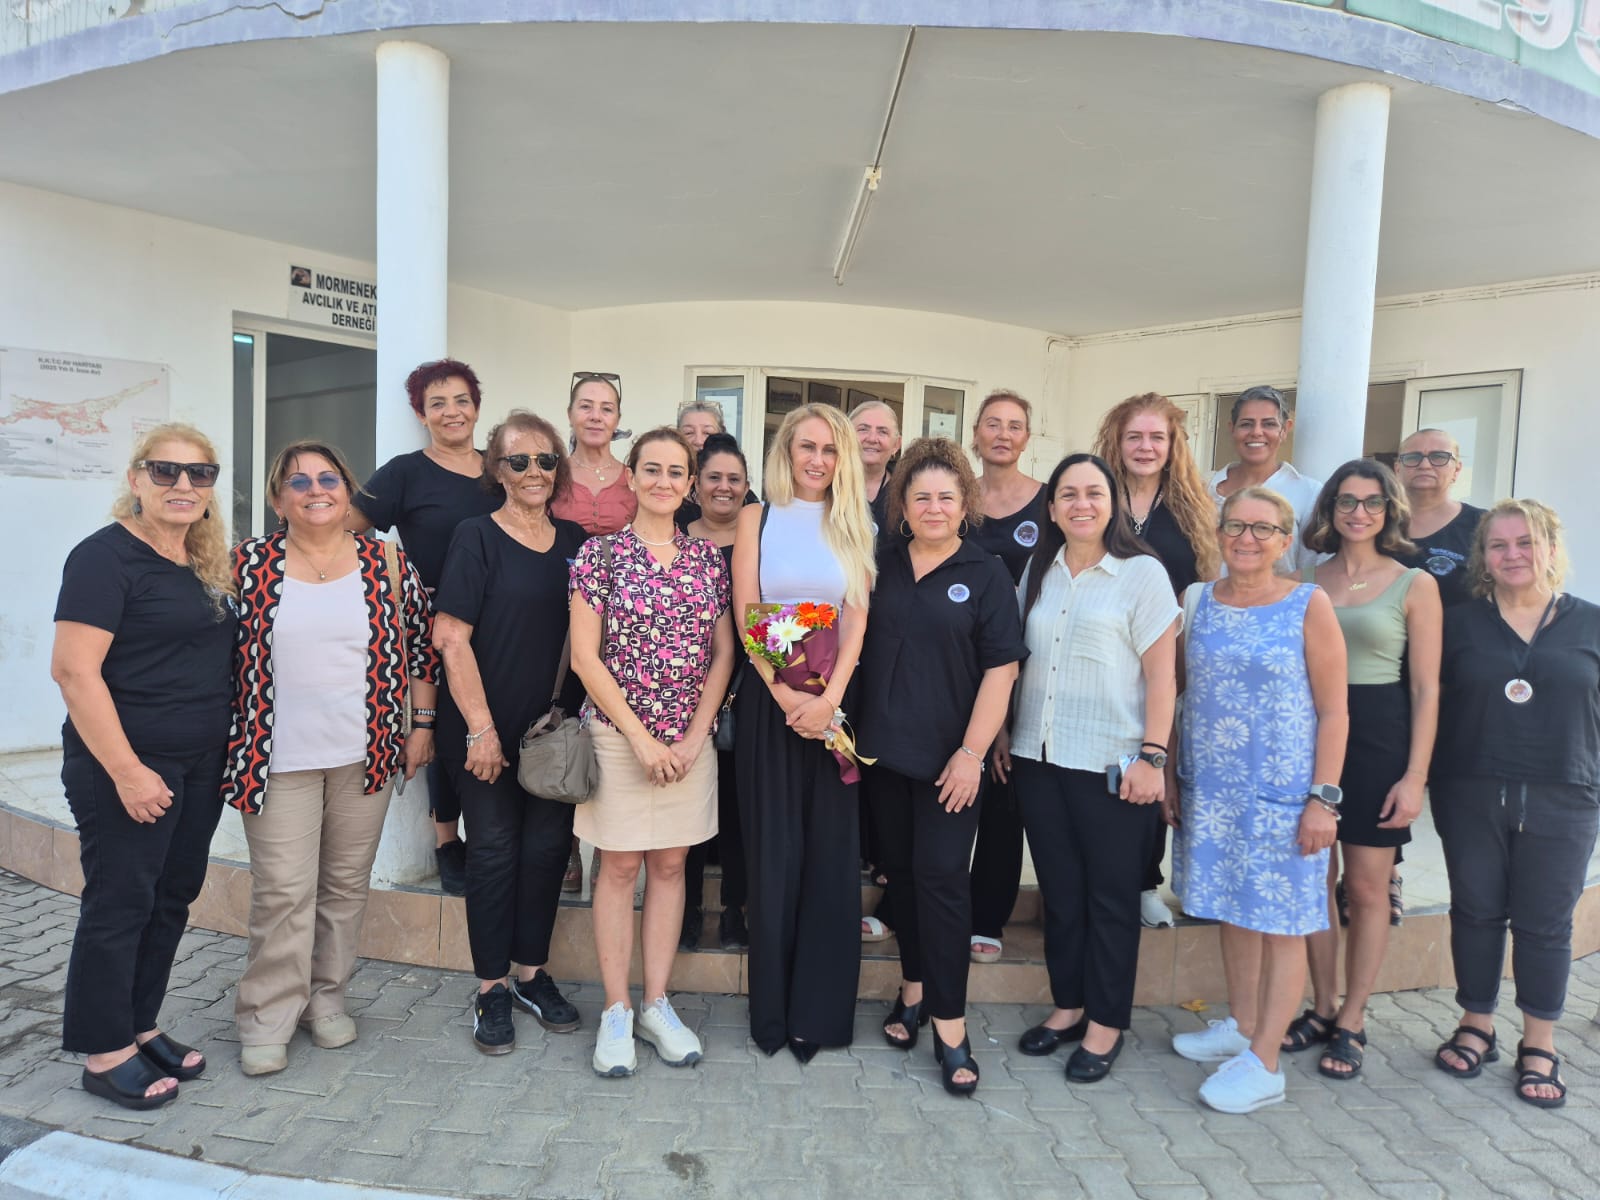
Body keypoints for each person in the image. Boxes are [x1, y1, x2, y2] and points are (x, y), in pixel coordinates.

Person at [225, 441, 439, 1077]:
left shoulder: (385, 561)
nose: (315, 490)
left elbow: (421, 647)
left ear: (348, 492)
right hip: (275, 757)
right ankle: (267, 1016)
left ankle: (327, 999)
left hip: (366, 754)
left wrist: (420, 727)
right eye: (298, 482)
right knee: (284, 892)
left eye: (328, 479)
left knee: (345, 887)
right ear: (277, 499)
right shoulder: (248, 565)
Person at [52, 426, 238, 1109]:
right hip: (126, 764)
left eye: (200, 473)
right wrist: (127, 770)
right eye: (166, 471)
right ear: (136, 480)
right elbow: (74, 672)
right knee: (121, 900)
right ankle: (104, 1054)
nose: (183, 485)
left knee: (171, 895)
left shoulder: (201, 558)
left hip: (197, 763)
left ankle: (139, 1024)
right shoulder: (104, 558)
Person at [1170, 487, 1347, 1113]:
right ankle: (1242, 1026)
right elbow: (1179, 692)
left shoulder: (1307, 603)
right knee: (1232, 909)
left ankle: (1265, 1061)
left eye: (1263, 529)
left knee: (1281, 923)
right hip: (1214, 789)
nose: (1247, 538)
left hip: (1285, 793)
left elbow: (1334, 710)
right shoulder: (1198, 600)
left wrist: (1323, 799)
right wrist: (1170, 773)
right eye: (1236, 526)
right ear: (1219, 532)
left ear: (1284, 540)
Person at [1003, 454, 1178, 1085]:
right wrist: (1004, 732)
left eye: (1094, 493)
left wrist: (1154, 757)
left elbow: (1163, 677)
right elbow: (1016, 660)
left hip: (1113, 766)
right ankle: (1069, 1006)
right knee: (1062, 893)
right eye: (1068, 494)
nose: (1081, 504)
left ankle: (1106, 1023)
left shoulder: (1142, 574)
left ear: (1113, 504)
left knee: (1109, 898)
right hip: (1040, 758)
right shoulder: (1038, 570)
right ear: (1051, 508)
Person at [859, 438, 1025, 1096]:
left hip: (952, 765)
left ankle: (951, 1028)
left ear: (965, 504)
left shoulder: (986, 573)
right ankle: (913, 991)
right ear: (902, 504)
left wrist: (971, 754)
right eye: (921, 496)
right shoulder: (880, 563)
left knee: (944, 885)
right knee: (902, 879)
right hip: (883, 756)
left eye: (946, 497)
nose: (933, 507)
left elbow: (1001, 670)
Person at [570, 428, 735, 1076]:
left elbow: (724, 653)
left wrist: (694, 737)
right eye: (652, 469)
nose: (664, 481)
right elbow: (585, 657)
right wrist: (639, 738)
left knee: (670, 866)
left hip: (690, 743)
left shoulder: (707, 561)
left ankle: (656, 1004)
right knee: (617, 869)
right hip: (619, 740)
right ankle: (615, 1009)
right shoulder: (601, 555)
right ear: (631, 478)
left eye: (676, 471)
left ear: (690, 484)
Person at [1431, 500, 1600, 1109]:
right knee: (1475, 911)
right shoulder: (1457, 624)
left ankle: (1540, 1042)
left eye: (1526, 542)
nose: (1513, 555)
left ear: (1551, 549)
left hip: (1566, 793)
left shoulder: (1592, 624)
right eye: (1498, 545)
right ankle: (1476, 1023)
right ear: (1482, 556)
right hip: (1470, 788)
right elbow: (1428, 700)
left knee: (1545, 923)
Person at [431, 411, 587, 1055]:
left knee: (546, 852)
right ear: (497, 470)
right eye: (518, 461)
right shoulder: (476, 536)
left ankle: (531, 975)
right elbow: (450, 637)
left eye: (546, 460)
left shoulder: (576, 540)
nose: (533, 472)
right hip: (482, 731)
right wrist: (481, 730)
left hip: (551, 734)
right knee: (494, 851)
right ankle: (491, 987)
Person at [1286, 461, 1440, 1080]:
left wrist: (1415, 776)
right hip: (1312, 737)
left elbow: (1427, 689)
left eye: (1373, 502)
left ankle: (1353, 1016)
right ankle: (1322, 1006)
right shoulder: (1302, 581)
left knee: (1368, 888)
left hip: (1380, 740)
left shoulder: (1414, 584)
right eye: (1347, 501)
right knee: (1314, 880)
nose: (1359, 512)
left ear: (1389, 511)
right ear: (1329, 509)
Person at [732, 402, 876, 1062]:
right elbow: (746, 611)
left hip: (833, 707)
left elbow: (856, 619)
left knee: (829, 858)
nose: (817, 460)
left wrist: (830, 701)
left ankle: (817, 1015)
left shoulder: (854, 520)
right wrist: (784, 691)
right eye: (806, 446)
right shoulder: (757, 517)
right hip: (773, 704)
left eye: (830, 449)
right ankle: (771, 1014)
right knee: (774, 856)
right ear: (786, 450)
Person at [349, 359, 498, 896]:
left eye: (461, 400)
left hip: (499, 622)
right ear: (421, 414)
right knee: (443, 730)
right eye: (437, 403)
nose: (451, 412)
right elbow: (343, 531)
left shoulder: (501, 469)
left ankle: (490, 836)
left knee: (492, 723)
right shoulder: (404, 473)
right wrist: (389, 589)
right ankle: (447, 842)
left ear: (476, 408)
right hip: (434, 625)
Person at [1092, 392, 1221, 930]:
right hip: (1103, 657)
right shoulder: (1097, 497)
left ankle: (1146, 880)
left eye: (1156, 437)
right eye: (1134, 437)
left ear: (1173, 445)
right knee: (1099, 772)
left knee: (1154, 761)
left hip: (1168, 661)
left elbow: (1206, 583)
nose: (1145, 447)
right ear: (1116, 443)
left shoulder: (1194, 509)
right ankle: (1095, 877)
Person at [964, 390, 1047, 964]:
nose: (1002, 434)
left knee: (1002, 786)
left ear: (1026, 438)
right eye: (992, 424)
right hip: (953, 662)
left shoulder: (1046, 504)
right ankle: (907, 904)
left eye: (1014, 425)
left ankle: (987, 915)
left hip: (1024, 663)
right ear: (975, 433)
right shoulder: (956, 497)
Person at [551, 371, 636, 892]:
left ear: (618, 419)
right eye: (586, 405)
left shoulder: (635, 476)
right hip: (559, 617)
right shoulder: (550, 473)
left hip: (625, 624)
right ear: (570, 414)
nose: (596, 415)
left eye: (606, 407)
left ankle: (610, 848)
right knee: (566, 726)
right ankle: (565, 849)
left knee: (613, 731)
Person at [682, 433, 753, 951]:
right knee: (686, 805)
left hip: (750, 686)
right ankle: (684, 911)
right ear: (695, 485)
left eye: (734, 479)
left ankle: (735, 912)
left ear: (747, 487)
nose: (723, 487)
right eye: (714, 477)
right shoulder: (675, 537)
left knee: (737, 806)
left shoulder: (761, 539)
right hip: (681, 690)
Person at [1208, 385, 1322, 575]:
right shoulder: (1205, 489)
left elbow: (1313, 568)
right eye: (1246, 424)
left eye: (1269, 424)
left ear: (1285, 429)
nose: (1256, 432)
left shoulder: (1308, 492)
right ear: (1232, 428)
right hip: (1207, 594)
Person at [1395, 428, 1485, 610]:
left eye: (1438, 457)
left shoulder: (1483, 525)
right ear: (1397, 469)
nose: (1425, 465)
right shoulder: (1374, 522)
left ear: (1457, 469)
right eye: (1413, 457)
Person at [850, 399, 901, 540]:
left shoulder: (908, 489)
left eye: (882, 432)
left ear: (896, 445)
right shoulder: (828, 487)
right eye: (863, 429)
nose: (872, 439)